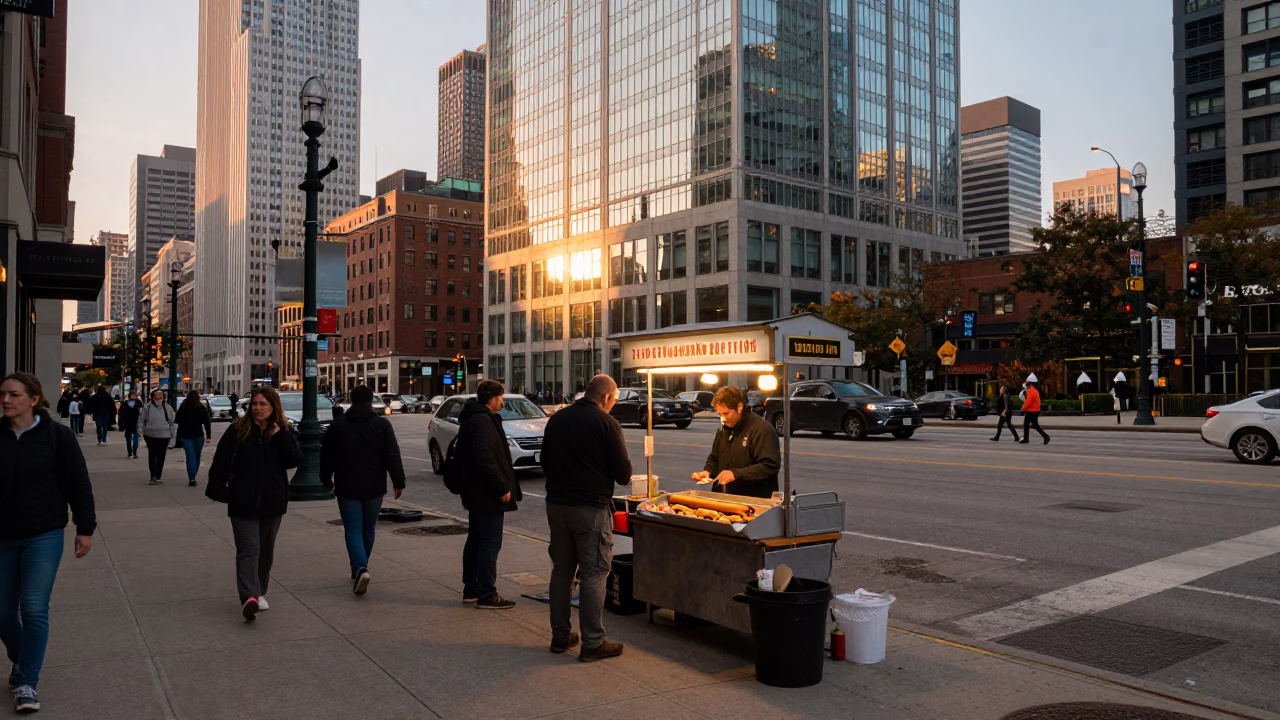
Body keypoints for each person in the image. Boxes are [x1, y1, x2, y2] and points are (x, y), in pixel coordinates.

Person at [0, 372, 96, 714]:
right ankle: (23, 657)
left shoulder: (58, 436)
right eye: (3, 395)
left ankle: (27, 681)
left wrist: (85, 528)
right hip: (3, 538)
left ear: (34, 399)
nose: (6, 400)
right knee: (2, 611)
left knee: (34, 608)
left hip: (43, 534)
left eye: (14, 394)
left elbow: (78, 484)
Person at [540, 374, 630, 661]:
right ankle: (593, 642)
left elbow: (543, 461)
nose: (613, 405)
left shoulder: (557, 419)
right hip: (590, 508)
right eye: (614, 400)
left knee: (562, 570)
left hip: (556, 505)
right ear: (606, 397)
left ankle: (560, 635)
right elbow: (623, 474)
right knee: (594, 573)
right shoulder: (607, 423)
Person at [207, 386, 300, 621]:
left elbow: (294, 461)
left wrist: (281, 436)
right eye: (255, 404)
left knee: (266, 550)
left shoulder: (284, 431)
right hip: (243, 500)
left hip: (272, 500)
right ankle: (249, 596)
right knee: (249, 549)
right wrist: (221, 490)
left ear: (273, 407)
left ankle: (259, 591)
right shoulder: (238, 430)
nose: (258, 408)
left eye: (263, 404)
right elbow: (221, 461)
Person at [320, 384, 406, 594]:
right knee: (369, 528)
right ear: (370, 400)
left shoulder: (338, 425)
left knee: (352, 529)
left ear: (352, 398)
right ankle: (361, 566)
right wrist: (398, 482)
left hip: (347, 484)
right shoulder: (382, 425)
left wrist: (325, 479)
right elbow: (392, 455)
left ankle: (359, 568)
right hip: (375, 485)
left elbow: (327, 455)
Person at [454, 379, 521, 609]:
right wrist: (501, 487)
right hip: (486, 493)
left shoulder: (477, 419)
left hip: (476, 491)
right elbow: (486, 458)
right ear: (492, 399)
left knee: (477, 539)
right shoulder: (483, 421)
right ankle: (487, 593)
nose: (503, 400)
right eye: (501, 396)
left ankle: (471, 588)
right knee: (489, 543)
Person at [692, 386, 780, 499]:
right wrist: (708, 471)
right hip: (723, 498)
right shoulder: (724, 428)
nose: (723, 419)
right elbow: (715, 457)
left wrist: (735, 474)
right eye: (720, 414)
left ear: (739, 407)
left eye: (726, 413)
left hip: (752, 501)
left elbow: (769, 465)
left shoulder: (762, 430)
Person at [174, 390, 212, 487]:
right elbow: (207, 422)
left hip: (186, 435)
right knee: (197, 456)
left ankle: (192, 478)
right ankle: (194, 474)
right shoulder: (201, 408)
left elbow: (177, 420)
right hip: (198, 434)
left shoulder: (183, 407)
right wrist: (208, 435)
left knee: (190, 456)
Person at [140, 391, 175, 484]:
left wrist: (172, 435)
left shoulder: (168, 408)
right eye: (157, 398)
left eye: (161, 398)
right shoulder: (147, 407)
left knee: (161, 456)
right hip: (151, 434)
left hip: (164, 435)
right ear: (152, 398)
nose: (159, 400)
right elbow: (141, 420)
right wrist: (141, 432)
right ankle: (153, 475)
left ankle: (158, 475)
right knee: (152, 455)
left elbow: (172, 422)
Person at [1019, 374, 1049, 445]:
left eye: (1026, 382)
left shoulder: (1030, 391)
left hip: (1031, 411)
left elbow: (1028, 402)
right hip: (1035, 411)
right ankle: (1045, 437)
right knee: (1032, 425)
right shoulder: (1034, 390)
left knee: (1029, 425)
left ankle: (1045, 437)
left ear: (1029, 383)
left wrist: (1022, 409)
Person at [117, 390, 142, 459]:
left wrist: (120, 423)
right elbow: (142, 413)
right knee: (136, 437)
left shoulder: (125, 403)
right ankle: (134, 452)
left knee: (128, 438)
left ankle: (130, 453)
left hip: (127, 422)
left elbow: (121, 414)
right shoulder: (139, 403)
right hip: (137, 422)